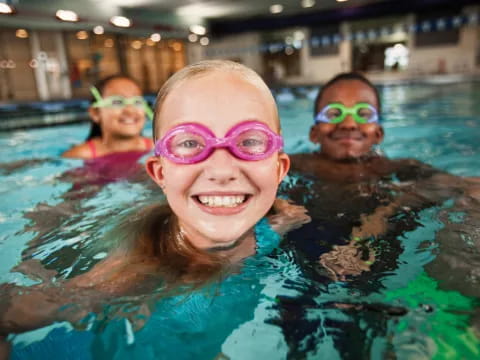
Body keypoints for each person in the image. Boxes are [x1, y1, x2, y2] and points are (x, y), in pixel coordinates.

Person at [0, 60, 309, 356]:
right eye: (189, 143)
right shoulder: (138, 268)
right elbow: (14, 313)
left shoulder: (278, 220)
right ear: (160, 173)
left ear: (279, 170)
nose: (222, 170)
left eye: (250, 142)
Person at [62, 75, 154, 160]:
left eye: (137, 102)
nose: (130, 110)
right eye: (117, 102)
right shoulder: (81, 154)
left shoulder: (156, 147)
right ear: (96, 113)